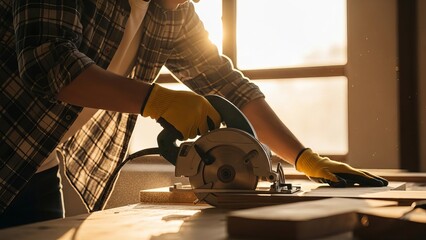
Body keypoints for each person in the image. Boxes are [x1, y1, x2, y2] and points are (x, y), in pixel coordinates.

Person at [0, 0, 388, 228]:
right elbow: (46, 61)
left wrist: (304, 159)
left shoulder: (172, 11)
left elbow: (228, 85)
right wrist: (159, 101)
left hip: (36, 167)